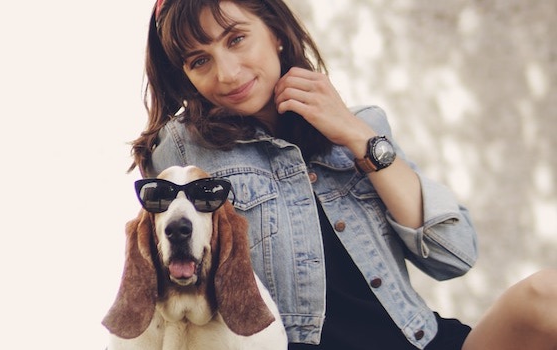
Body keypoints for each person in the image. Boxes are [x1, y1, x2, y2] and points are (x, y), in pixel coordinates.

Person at [127, 0, 557, 349]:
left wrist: (355, 134)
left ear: (275, 32)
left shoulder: (360, 126)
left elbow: (454, 255)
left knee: (545, 295)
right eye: (199, 61)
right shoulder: (182, 149)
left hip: (420, 340)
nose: (227, 73)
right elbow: (172, 290)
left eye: (237, 39)